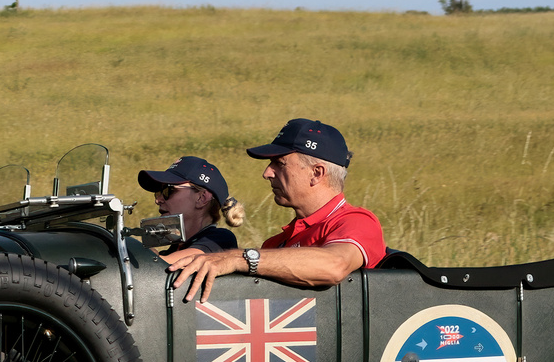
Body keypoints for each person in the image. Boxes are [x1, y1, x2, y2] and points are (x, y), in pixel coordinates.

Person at [166, 118, 385, 301]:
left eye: (279, 163)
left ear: (317, 173)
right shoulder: (274, 244)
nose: (267, 173)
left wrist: (240, 259)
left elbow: (335, 265)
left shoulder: (357, 221)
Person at [136, 155, 243, 255]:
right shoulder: (174, 249)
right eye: (158, 193)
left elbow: (167, 266)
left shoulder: (220, 240)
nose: (158, 200)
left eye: (169, 190)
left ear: (202, 198)